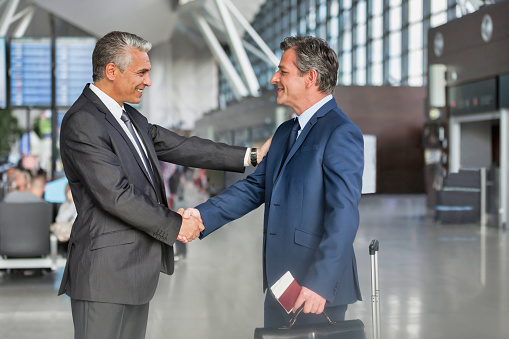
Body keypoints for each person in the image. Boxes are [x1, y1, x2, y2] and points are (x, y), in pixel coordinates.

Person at [58, 31, 269, 339]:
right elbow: (116, 197)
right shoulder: (83, 121)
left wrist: (252, 155)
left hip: (133, 273)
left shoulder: (128, 117)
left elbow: (183, 146)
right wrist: (177, 225)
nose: (148, 81)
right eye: (141, 72)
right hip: (103, 275)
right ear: (111, 71)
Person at [183, 36, 364, 328]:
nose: (273, 78)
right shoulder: (284, 132)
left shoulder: (340, 132)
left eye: (283, 71)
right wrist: (202, 216)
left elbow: (343, 215)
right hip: (280, 285)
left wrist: (320, 283)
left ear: (311, 78)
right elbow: (255, 187)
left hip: (315, 291)